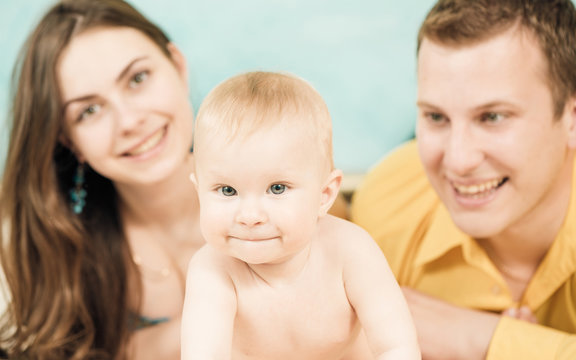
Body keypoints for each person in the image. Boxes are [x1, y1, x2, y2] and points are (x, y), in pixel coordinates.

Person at [351, 0, 576, 359]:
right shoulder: (385, 208)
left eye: (493, 117)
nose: (457, 161)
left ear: (571, 117)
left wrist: (483, 340)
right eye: (436, 117)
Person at [0, 0, 203, 358]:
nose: (128, 121)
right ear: (68, 140)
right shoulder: (40, 249)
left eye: (138, 79)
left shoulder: (292, 193)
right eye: (89, 111)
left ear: (178, 67)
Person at [181, 71, 421, 360]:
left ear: (325, 195)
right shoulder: (213, 270)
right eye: (227, 190)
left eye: (277, 188)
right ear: (198, 191)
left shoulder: (350, 250)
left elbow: (396, 347)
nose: (250, 216)